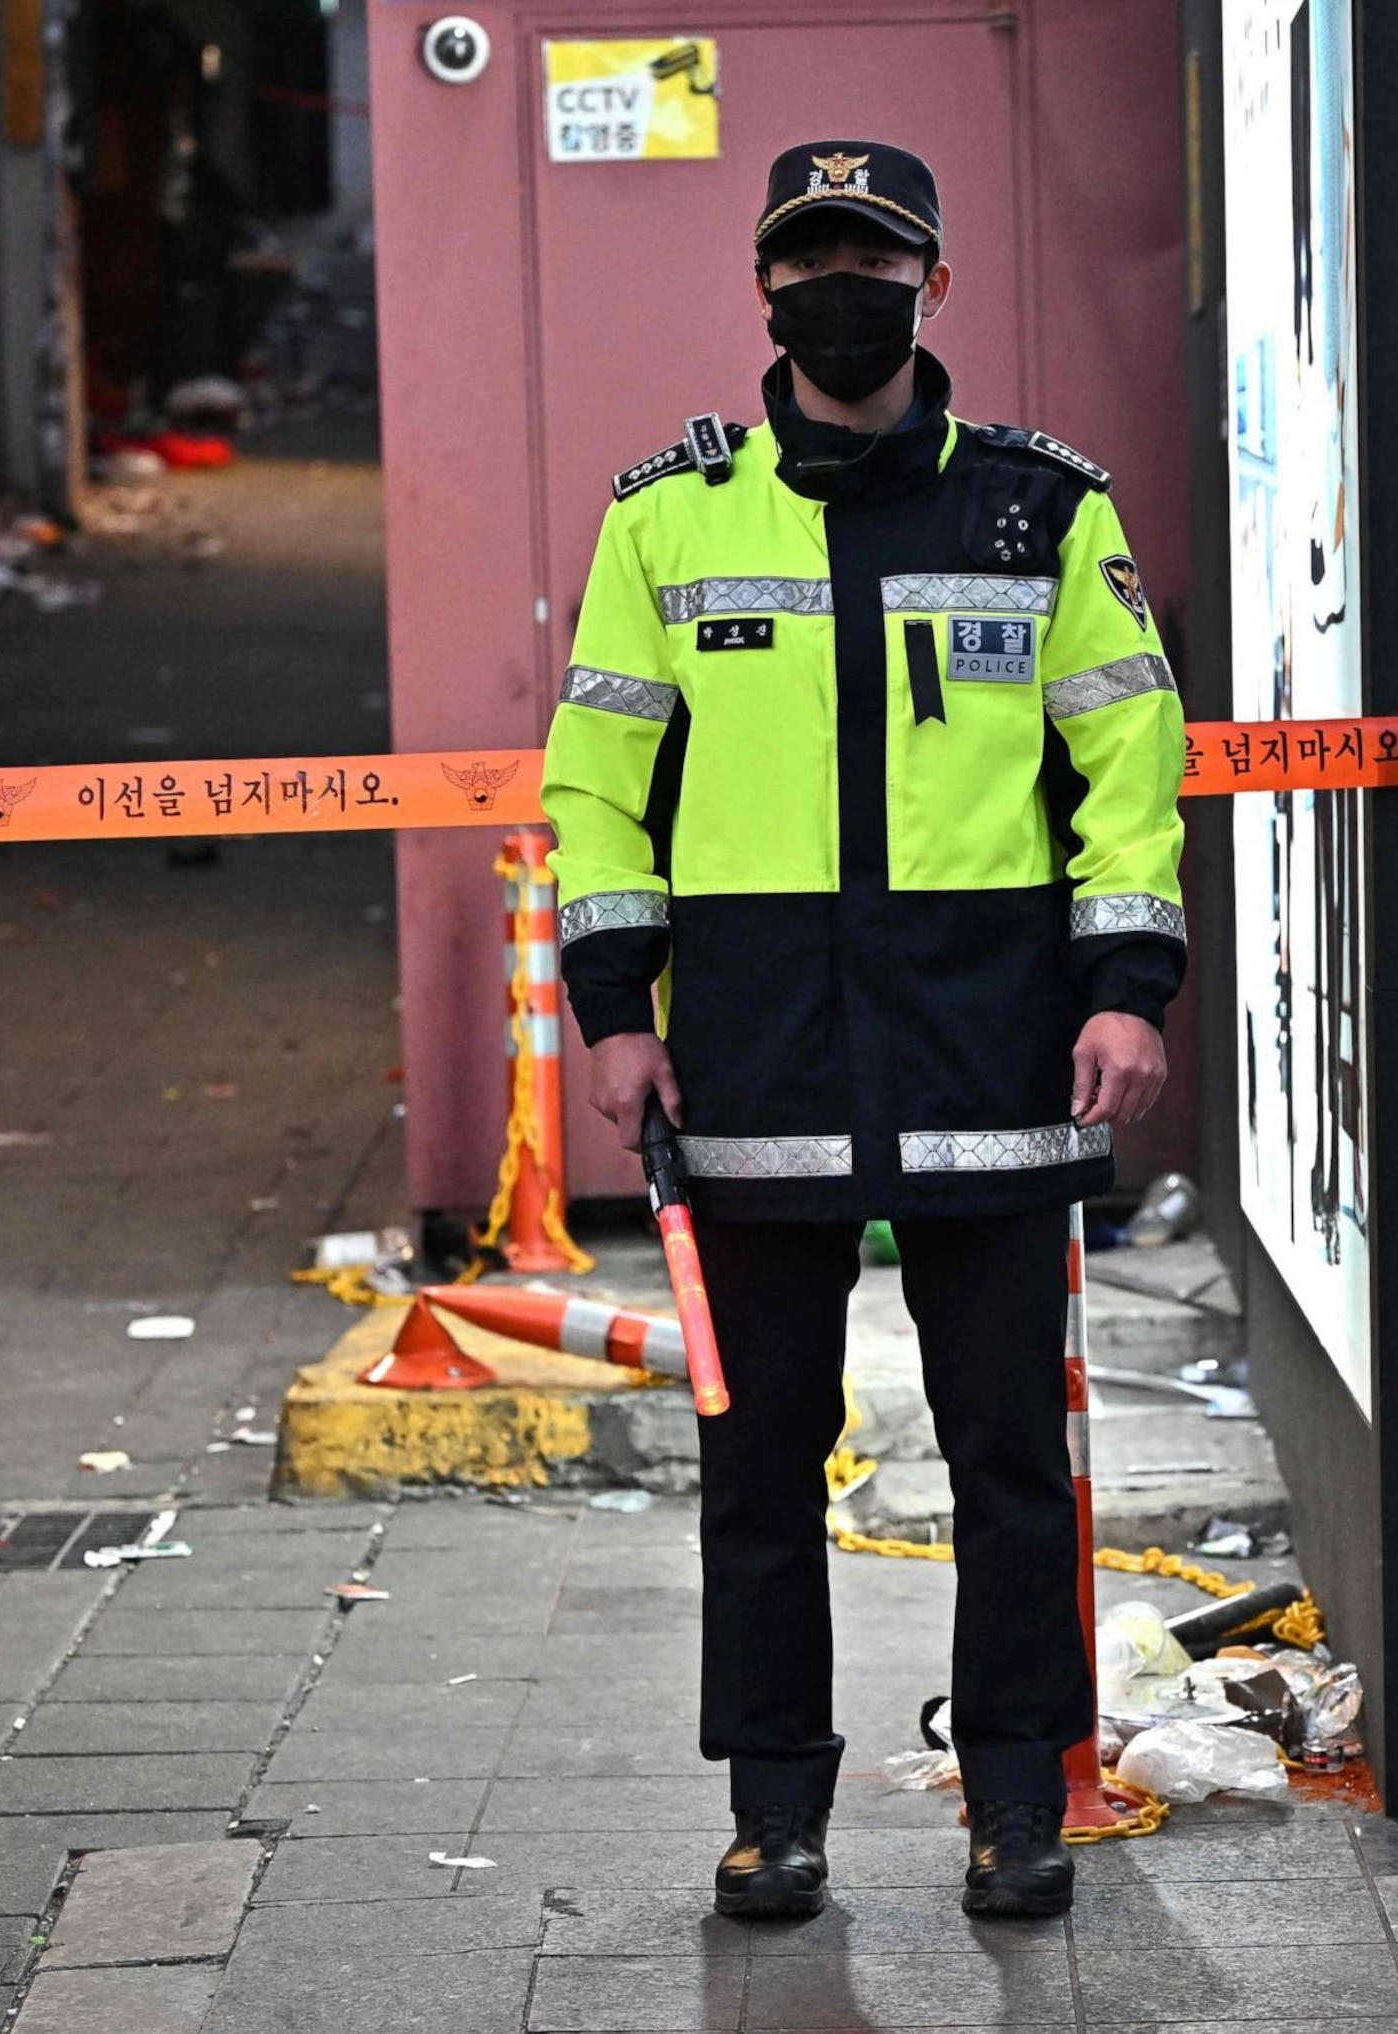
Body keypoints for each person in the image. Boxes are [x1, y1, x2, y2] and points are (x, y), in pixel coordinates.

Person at [539, 139, 1187, 1920]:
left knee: (1007, 1460)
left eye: (875, 256)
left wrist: (1127, 988)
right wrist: (615, 1018)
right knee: (758, 1470)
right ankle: (775, 1811)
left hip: (993, 1065)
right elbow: (596, 790)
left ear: (934, 285)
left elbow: (1129, 769)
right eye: (810, 257)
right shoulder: (667, 517)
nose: (842, 286)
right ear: (763, 287)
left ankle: (1016, 1801)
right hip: (752, 1075)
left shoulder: (1044, 510)